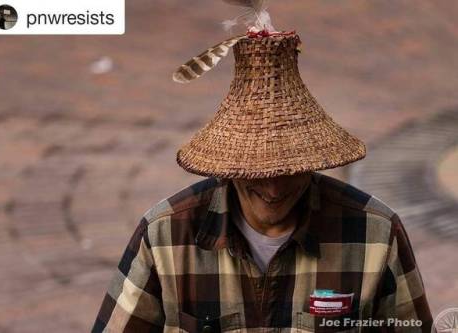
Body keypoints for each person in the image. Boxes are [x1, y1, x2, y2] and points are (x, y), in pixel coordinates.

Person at [92, 30, 432, 332]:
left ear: (311, 162)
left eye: (289, 170)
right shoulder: (165, 234)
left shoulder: (376, 232)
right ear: (229, 167)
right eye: (258, 172)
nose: (273, 188)